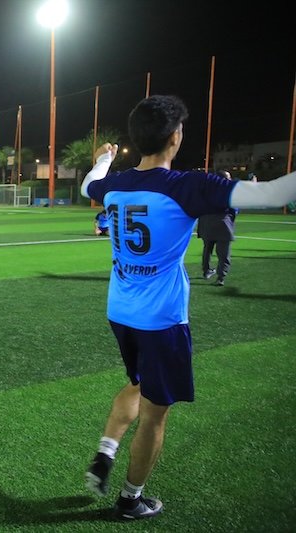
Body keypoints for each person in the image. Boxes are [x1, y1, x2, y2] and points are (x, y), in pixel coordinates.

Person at [80, 94, 296, 521]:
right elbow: (274, 192)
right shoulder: (186, 186)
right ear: (175, 138)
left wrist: (104, 158)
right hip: (161, 321)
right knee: (155, 414)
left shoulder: (114, 185)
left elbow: (90, 182)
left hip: (121, 311)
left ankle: (106, 451)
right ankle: (130, 500)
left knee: (139, 384)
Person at [197, 170, 236, 286]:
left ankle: (206, 271)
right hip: (222, 222)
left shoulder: (206, 190)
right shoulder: (228, 190)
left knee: (207, 249)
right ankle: (221, 277)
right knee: (224, 253)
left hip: (206, 222)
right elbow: (233, 209)